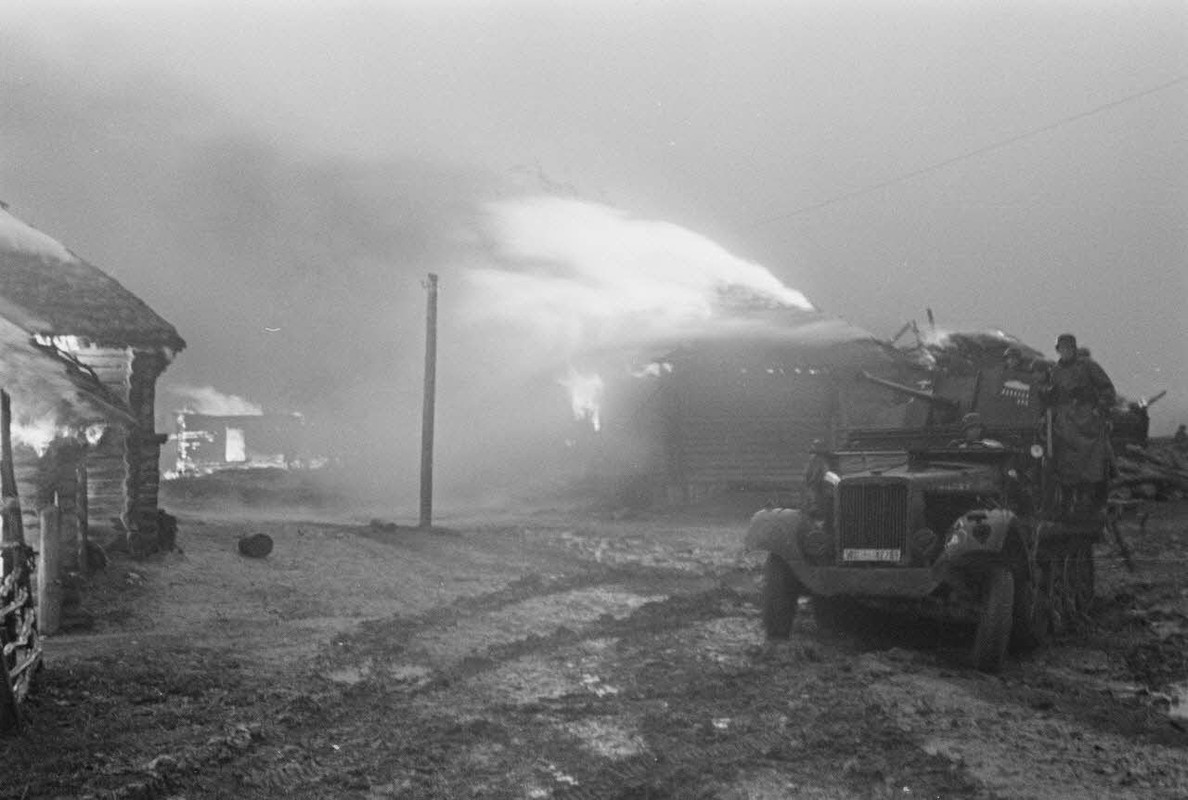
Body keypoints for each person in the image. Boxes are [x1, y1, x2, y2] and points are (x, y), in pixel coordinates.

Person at [1042, 333, 1117, 517]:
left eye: (1069, 347)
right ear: (1058, 350)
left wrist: (1098, 409)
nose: (1065, 351)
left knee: (1091, 464)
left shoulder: (1088, 366)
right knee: (1065, 465)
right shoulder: (1054, 371)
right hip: (1064, 424)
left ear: (1074, 349)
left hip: (1086, 424)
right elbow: (1047, 395)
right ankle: (1067, 504)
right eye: (1062, 348)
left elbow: (1107, 389)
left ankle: (1089, 503)